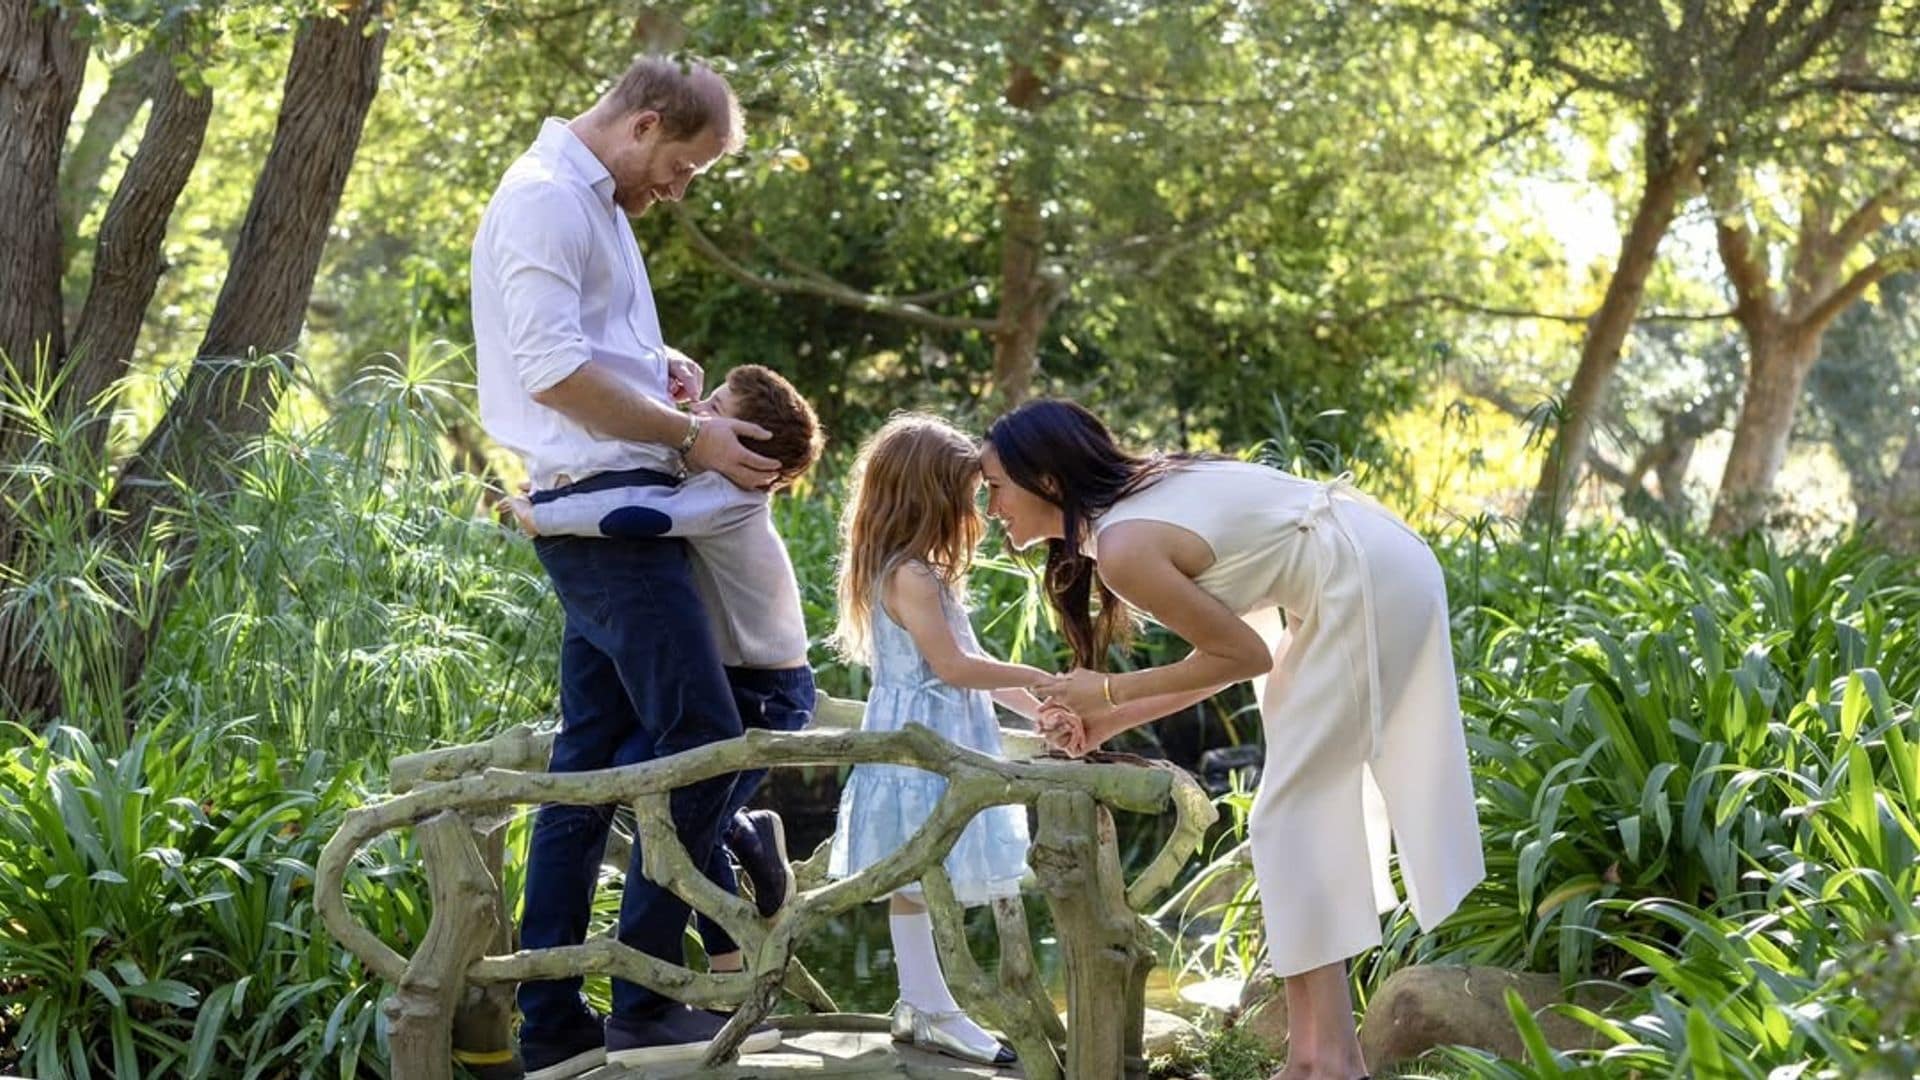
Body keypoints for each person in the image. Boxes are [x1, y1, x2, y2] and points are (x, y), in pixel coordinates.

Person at [983, 399, 1484, 1080]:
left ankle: (1330, 1061)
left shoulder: (1127, 545)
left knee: (1290, 816)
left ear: (1044, 479)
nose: (990, 507)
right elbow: (1227, 654)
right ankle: (1312, 1057)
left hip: (1368, 580)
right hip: (1365, 568)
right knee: (1293, 818)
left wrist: (1101, 692)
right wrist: (1110, 721)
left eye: (995, 487)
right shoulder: (1138, 507)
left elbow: (1244, 655)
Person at [471, 54, 784, 1077]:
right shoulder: (546, 200)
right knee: (707, 738)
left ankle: (555, 1029)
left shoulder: (596, 204)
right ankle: (648, 995)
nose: (679, 190)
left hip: (604, 514)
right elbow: (551, 371)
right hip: (608, 528)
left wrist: (659, 375)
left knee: (584, 774)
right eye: (685, 167)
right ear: (646, 124)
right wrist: (693, 440)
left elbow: (587, 352)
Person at [504, 363, 824, 968]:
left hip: (769, 689)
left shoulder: (729, 497)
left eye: (717, 410)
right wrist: (685, 399)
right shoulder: (707, 479)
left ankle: (730, 924)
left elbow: (639, 514)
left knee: (680, 802)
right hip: (740, 675)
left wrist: (543, 515)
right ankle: (736, 900)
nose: (698, 419)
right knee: (657, 785)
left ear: (751, 452)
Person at [823, 414, 1054, 1067]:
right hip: (922, 749)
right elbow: (953, 669)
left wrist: (1041, 710)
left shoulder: (923, 572)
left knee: (925, 877)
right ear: (931, 495)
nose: (978, 507)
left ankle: (920, 999)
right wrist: (1041, 674)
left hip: (936, 740)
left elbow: (971, 664)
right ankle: (933, 1007)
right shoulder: (911, 576)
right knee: (924, 874)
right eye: (967, 492)